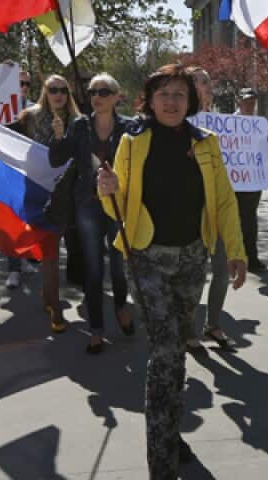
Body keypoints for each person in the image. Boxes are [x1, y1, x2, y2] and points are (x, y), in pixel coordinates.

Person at [97, 64, 247, 475]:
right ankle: (160, 461)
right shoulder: (132, 142)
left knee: (177, 349)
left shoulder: (207, 143)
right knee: (164, 351)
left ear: (192, 101)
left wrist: (236, 251)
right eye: (163, 93)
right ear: (149, 99)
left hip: (192, 258)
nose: (171, 101)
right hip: (145, 257)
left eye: (179, 94)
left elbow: (224, 201)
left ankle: (169, 429)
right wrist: (105, 189)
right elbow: (117, 205)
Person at [49, 73, 136, 354]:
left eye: (103, 92)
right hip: (87, 203)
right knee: (93, 266)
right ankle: (96, 328)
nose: (96, 97)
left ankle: (121, 306)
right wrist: (59, 137)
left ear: (116, 96)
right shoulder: (80, 125)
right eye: (92, 92)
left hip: (117, 203)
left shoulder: (129, 128)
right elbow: (57, 159)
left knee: (118, 265)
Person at [7, 74, 80, 332]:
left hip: (63, 192)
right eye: (53, 89)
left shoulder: (77, 121)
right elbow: (4, 133)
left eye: (63, 89)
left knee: (54, 244)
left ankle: (52, 300)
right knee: (47, 244)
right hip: (36, 190)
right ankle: (53, 302)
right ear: (45, 92)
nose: (58, 94)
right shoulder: (29, 117)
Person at [184, 66, 237, 353]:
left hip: (219, 205)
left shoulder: (223, 124)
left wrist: (264, 147)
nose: (203, 86)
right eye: (196, 81)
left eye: (205, 80)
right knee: (194, 273)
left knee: (221, 269)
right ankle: (190, 330)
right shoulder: (178, 123)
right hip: (192, 210)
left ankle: (213, 324)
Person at [234, 87, 265, 273]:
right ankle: (235, 257)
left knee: (249, 221)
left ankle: (251, 257)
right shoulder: (229, 123)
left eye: (252, 101)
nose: (250, 104)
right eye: (246, 100)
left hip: (252, 180)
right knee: (234, 221)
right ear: (239, 101)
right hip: (234, 181)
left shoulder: (259, 124)